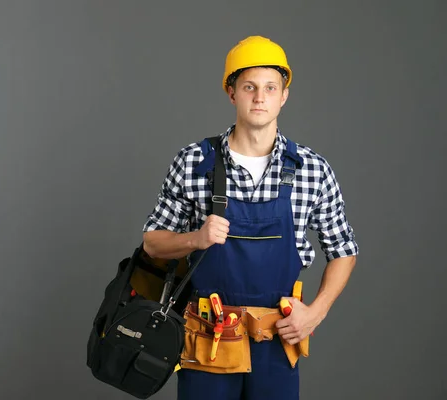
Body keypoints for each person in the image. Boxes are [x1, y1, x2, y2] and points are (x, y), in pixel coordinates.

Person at [142, 35, 358, 400]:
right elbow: (152, 243)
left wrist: (315, 313)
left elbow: (343, 249)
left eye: (270, 88)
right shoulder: (194, 162)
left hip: (277, 338)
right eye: (249, 87)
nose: (260, 97)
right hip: (207, 338)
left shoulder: (312, 169)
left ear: (283, 95)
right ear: (232, 93)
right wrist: (195, 238)